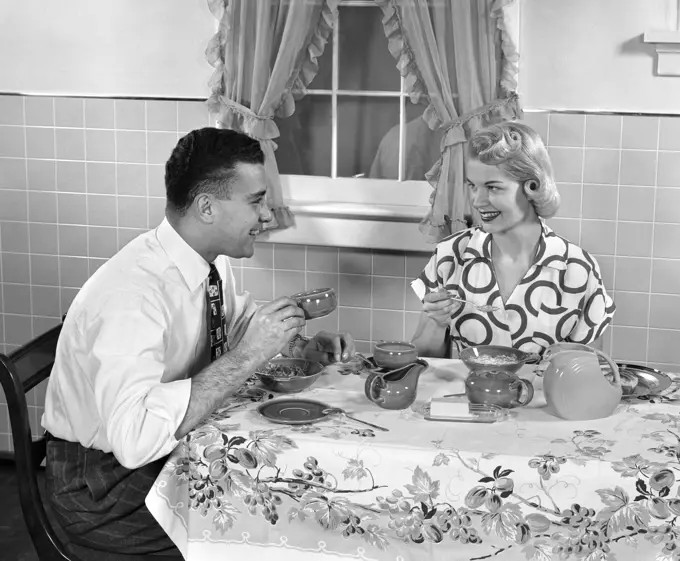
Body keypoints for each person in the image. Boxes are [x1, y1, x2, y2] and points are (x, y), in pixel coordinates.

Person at [41, 127, 355, 557]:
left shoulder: (204, 264)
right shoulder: (132, 297)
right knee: (272, 527)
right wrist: (247, 357)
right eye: (256, 200)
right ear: (206, 206)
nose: (267, 215)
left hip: (161, 461)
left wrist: (297, 347)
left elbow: (234, 323)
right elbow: (134, 440)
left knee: (295, 509)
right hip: (100, 490)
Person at [410, 121, 615, 358]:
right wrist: (436, 322)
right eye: (473, 187)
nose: (477, 201)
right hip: (468, 394)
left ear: (532, 186)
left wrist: (566, 361)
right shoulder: (452, 254)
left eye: (493, 188)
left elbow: (590, 370)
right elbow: (423, 361)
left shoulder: (577, 268)